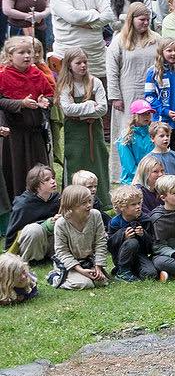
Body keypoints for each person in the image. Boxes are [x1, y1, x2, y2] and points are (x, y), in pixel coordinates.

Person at [107, 3, 160, 180]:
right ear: (132, 19)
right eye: (141, 20)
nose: (145, 23)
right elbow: (112, 69)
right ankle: (125, 172)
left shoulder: (156, 39)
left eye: (147, 19)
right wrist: (115, 96)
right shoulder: (119, 41)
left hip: (151, 93)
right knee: (128, 131)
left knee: (150, 128)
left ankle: (153, 171)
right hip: (128, 92)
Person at [0, 36, 52, 202]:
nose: (27, 56)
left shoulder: (37, 73)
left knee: (37, 167)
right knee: (17, 168)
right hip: (14, 133)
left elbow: (50, 93)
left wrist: (46, 100)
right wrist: (20, 103)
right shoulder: (3, 75)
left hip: (35, 132)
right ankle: (18, 201)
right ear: (10, 56)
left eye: (29, 52)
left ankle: (42, 198)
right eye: (21, 52)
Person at [56, 48, 110, 207]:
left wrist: (79, 111)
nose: (83, 65)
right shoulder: (66, 85)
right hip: (74, 132)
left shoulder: (95, 82)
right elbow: (67, 109)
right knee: (75, 162)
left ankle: (102, 201)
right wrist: (88, 106)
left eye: (85, 62)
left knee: (97, 162)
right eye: (78, 63)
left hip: (94, 130)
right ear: (69, 65)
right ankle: (74, 200)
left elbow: (103, 109)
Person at [49, 0, 112, 80]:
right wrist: (95, 13)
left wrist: (91, 24)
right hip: (69, 58)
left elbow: (109, 15)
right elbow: (73, 16)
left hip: (97, 58)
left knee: (100, 95)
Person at [48, 185, 108, 290]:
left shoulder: (95, 215)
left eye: (90, 201)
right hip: (68, 263)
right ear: (71, 206)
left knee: (101, 282)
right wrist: (80, 270)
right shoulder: (61, 224)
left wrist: (98, 267)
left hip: (88, 260)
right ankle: (55, 277)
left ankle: (88, 272)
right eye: (83, 203)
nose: (89, 205)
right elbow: (62, 252)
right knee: (84, 283)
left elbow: (100, 242)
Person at [144, 37, 175, 157]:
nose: (173, 53)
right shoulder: (153, 72)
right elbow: (149, 96)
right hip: (162, 121)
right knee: (160, 152)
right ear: (161, 52)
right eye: (169, 50)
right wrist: (165, 111)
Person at [5, 164, 59, 263]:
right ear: (37, 185)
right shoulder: (23, 204)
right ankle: (34, 260)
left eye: (53, 178)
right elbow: (13, 232)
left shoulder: (57, 198)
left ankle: (56, 256)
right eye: (47, 180)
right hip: (30, 243)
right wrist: (45, 224)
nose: (53, 181)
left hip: (50, 242)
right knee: (34, 229)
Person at [107, 185, 161, 282]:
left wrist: (143, 235)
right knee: (132, 242)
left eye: (139, 203)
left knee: (150, 274)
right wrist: (123, 236)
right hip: (121, 256)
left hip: (140, 254)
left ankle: (129, 271)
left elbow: (151, 246)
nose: (138, 207)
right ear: (122, 207)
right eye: (133, 204)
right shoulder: (115, 222)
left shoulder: (145, 220)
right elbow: (110, 246)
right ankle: (122, 271)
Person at [116, 100, 156, 185]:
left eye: (148, 113)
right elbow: (129, 167)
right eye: (143, 114)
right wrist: (146, 178)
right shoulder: (125, 138)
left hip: (153, 179)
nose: (147, 116)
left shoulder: (153, 133)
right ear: (134, 115)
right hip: (132, 181)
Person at [148, 121, 175, 199]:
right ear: (152, 138)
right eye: (161, 136)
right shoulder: (149, 158)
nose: (166, 138)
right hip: (157, 196)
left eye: (168, 136)